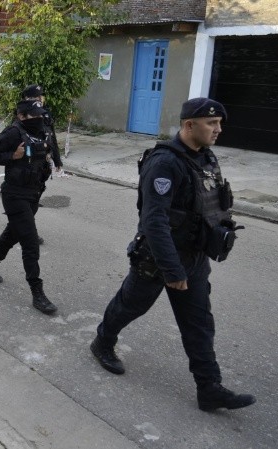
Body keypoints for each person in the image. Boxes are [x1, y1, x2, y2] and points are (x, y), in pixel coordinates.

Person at [89, 98, 256, 412]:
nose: (218, 130)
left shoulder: (205, 156)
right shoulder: (165, 163)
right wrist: (172, 269)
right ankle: (103, 341)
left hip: (194, 258)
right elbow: (154, 221)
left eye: (220, 123)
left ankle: (209, 388)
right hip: (158, 259)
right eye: (212, 123)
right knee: (129, 306)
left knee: (199, 323)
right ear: (189, 125)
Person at [0, 99, 58, 314]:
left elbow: (49, 150)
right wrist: (12, 156)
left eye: (40, 114)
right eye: (33, 115)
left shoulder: (42, 130)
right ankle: (37, 293)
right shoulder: (13, 133)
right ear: (21, 116)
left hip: (34, 194)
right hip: (14, 195)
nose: (38, 118)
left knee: (13, 233)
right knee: (30, 243)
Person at [21, 84, 63, 245]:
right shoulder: (23, 116)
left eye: (40, 96)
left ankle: (19, 223)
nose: (40, 99)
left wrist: (57, 160)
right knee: (29, 200)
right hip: (27, 165)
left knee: (34, 198)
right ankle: (28, 231)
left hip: (42, 166)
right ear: (27, 99)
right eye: (36, 97)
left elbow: (52, 137)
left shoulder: (45, 114)